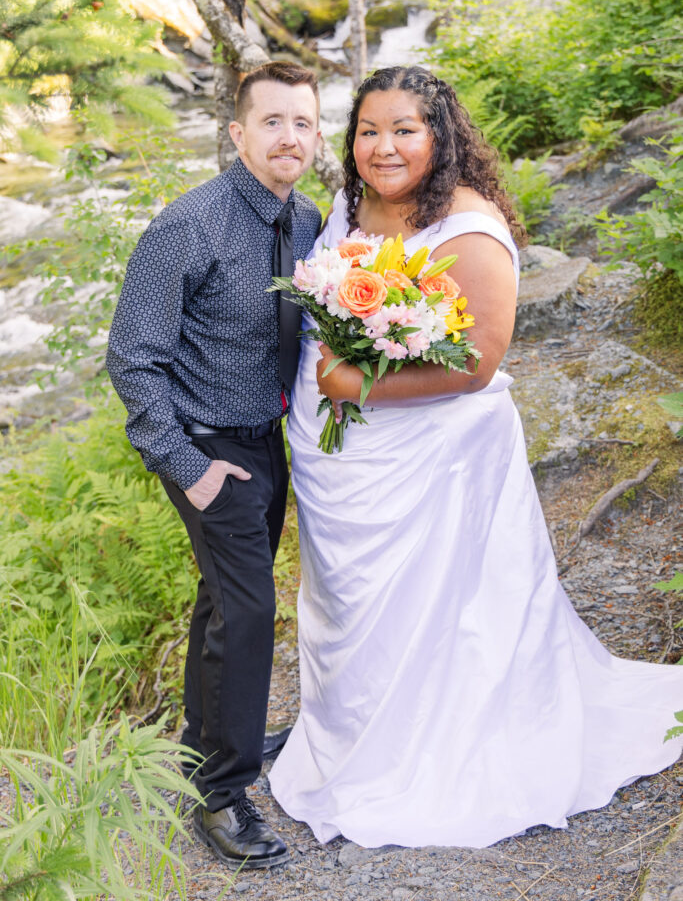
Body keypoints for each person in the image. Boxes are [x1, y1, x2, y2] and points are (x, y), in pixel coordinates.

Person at [268, 65, 683, 848]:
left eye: (403, 130)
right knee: (353, 602)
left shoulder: (468, 227)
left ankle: (445, 748)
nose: (382, 147)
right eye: (367, 130)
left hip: (436, 455)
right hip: (342, 457)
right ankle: (356, 733)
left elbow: (477, 363)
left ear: (440, 136)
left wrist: (355, 384)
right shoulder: (349, 208)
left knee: (446, 603)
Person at [106, 61, 322, 869]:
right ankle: (222, 796)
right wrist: (185, 463)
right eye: (272, 122)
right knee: (250, 608)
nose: (288, 137)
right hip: (204, 447)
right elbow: (132, 359)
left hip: (270, 442)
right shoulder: (185, 226)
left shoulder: (308, 222)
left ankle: (204, 742)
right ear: (237, 133)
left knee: (223, 600)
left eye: (302, 123)